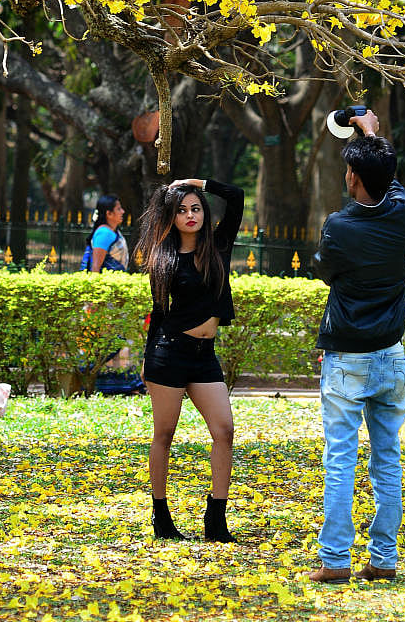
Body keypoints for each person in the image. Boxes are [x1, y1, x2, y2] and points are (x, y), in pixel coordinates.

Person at [308, 110, 405, 584]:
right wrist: (371, 135)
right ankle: (384, 559)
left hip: (348, 358)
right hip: (391, 357)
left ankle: (335, 562)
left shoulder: (339, 226)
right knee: (387, 461)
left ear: (351, 176)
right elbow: (393, 187)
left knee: (340, 458)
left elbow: (326, 271)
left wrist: (365, 140)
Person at [135, 176, 244, 543]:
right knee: (164, 434)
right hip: (169, 353)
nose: (190, 215)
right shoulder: (163, 257)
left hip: (204, 357)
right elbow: (158, 313)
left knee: (224, 429)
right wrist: (148, 359)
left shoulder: (218, 246)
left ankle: (216, 518)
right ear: (172, 216)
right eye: (182, 210)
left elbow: (236, 194)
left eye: (196, 208)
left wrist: (196, 182)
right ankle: (161, 516)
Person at [82, 195, 129, 272]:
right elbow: (95, 267)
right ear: (109, 214)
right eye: (118, 209)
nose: (122, 212)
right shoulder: (104, 233)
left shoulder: (112, 231)